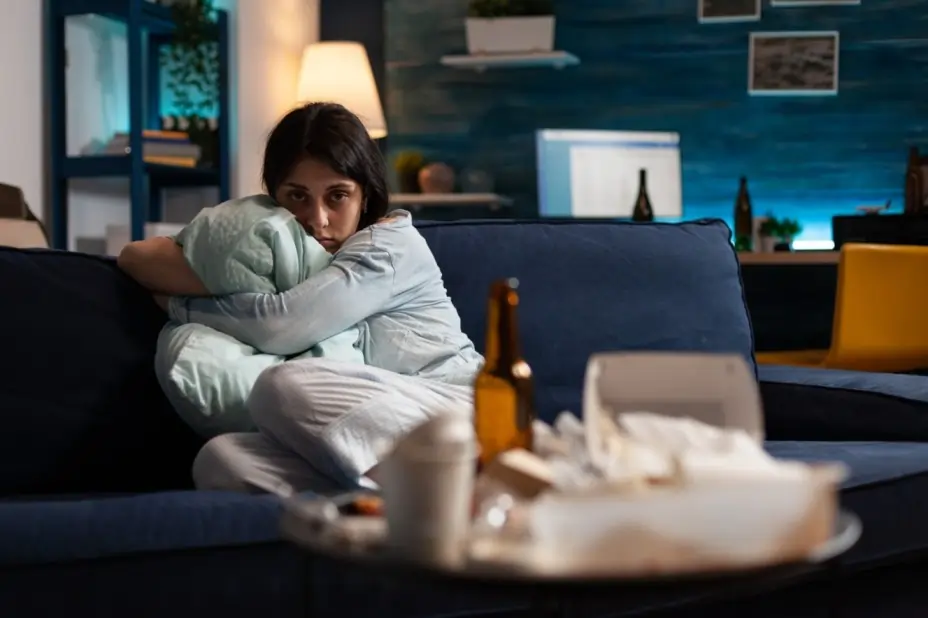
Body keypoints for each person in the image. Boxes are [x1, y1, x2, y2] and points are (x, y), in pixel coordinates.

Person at [118, 102, 484, 494]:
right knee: (221, 460)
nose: (318, 218)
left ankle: (449, 486)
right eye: (298, 196)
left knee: (282, 387)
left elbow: (280, 326)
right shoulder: (288, 255)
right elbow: (137, 256)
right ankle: (396, 500)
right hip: (375, 428)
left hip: (453, 407)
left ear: (366, 194)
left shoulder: (389, 245)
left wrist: (178, 304)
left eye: (337, 196)